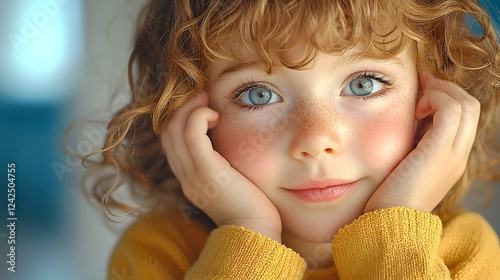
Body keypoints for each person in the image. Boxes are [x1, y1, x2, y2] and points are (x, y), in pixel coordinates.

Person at [82, 0, 500, 278]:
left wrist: (394, 230)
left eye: (363, 84)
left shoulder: (466, 252)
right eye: (258, 95)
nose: (316, 140)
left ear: (428, 103)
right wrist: (249, 233)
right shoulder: (159, 252)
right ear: (188, 118)